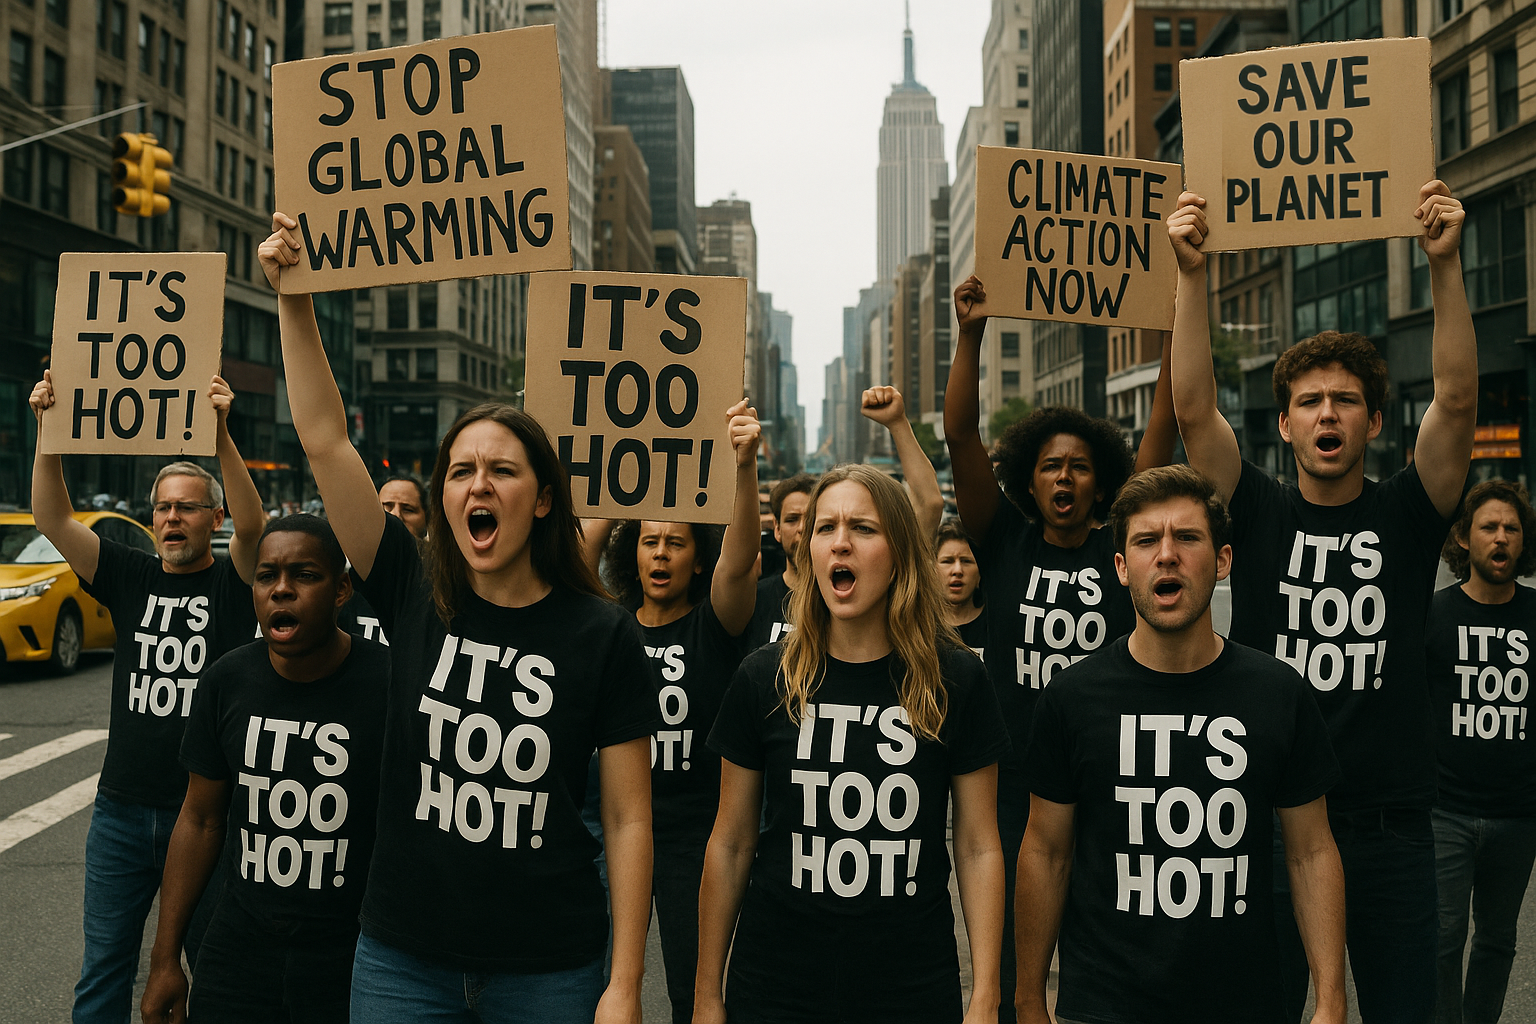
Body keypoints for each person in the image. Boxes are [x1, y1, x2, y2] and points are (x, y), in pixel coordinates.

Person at [261, 213, 657, 1024]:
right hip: (404, 962)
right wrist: (292, 299)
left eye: (502, 471)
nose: (478, 484)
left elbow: (627, 816)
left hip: (551, 967)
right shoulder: (410, 585)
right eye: (461, 471)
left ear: (542, 498)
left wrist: (623, 983)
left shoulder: (601, 631)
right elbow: (327, 441)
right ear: (441, 496)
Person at [1167, 181, 1476, 1024]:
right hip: (1269, 823)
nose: (1327, 413)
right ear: (1287, 426)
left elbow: (1454, 401)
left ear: (1374, 422)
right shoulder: (1259, 509)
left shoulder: (1409, 514)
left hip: (1391, 832)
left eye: (1344, 401)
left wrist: (1443, 265)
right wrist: (1192, 276)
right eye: (1309, 402)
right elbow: (1193, 409)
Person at [1017, 465, 1347, 1024]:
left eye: (1187, 538)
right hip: (1105, 1003)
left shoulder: (1278, 692)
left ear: (1222, 561)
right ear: (1122, 568)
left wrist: (1332, 998)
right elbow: (1046, 853)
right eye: (1146, 541)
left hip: (1247, 1001)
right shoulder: (1072, 698)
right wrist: (1027, 999)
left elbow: (1311, 850)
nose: (1166, 554)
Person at [695, 464, 1011, 1024]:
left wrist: (985, 995)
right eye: (825, 528)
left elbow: (979, 845)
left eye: (863, 529)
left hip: (911, 985)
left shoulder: (956, 679)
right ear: (808, 551)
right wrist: (706, 995)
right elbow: (731, 842)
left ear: (901, 554)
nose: (840, 542)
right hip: (775, 984)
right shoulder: (762, 676)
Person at [944, 279, 1176, 1022]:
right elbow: (959, 438)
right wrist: (972, 335)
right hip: (1017, 784)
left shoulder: (1121, 545)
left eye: (1078, 466)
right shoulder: (1004, 540)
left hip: (1109, 773)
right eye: (1050, 466)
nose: (1065, 477)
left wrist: (1176, 329)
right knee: (1017, 961)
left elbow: (1164, 429)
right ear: (1029, 480)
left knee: (1105, 946)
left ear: (1101, 478)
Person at [29, 372, 265, 1024]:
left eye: (188, 507)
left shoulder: (234, 580)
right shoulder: (128, 574)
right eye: (163, 506)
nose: (171, 517)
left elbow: (255, 523)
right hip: (121, 814)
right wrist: (49, 430)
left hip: (212, 816)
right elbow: (52, 517)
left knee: (213, 975)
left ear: (211, 519)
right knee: (104, 971)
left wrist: (219, 428)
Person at [140, 515, 389, 1024]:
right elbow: (200, 820)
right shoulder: (227, 680)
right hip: (240, 950)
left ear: (341, 589)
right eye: (266, 575)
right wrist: (165, 959)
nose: (281, 590)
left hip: (352, 954)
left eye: (304, 575)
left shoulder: (389, 683)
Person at [575, 405, 761, 1024]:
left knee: (694, 986)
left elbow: (740, 558)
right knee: (594, 980)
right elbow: (573, 565)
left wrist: (743, 465)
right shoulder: (609, 623)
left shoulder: (716, 624)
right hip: (607, 829)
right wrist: (613, 481)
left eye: (675, 543)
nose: (660, 555)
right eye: (650, 541)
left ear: (696, 558)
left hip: (693, 833)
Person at [1426, 481, 1536, 1024]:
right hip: (1445, 808)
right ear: (1465, 540)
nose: (1500, 538)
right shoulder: (1435, 616)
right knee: (1442, 939)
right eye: (1488, 527)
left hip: (1518, 813)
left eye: (1511, 529)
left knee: (1497, 940)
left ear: (1522, 542)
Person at [744, 472, 816, 650]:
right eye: (792, 520)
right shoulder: (754, 601)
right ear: (777, 529)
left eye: (811, 519)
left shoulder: (842, 600)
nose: (802, 528)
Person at [936, 520, 986, 657]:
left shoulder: (994, 626)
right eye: (947, 561)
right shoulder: (921, 628)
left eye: (966, 561)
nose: (957, 570)